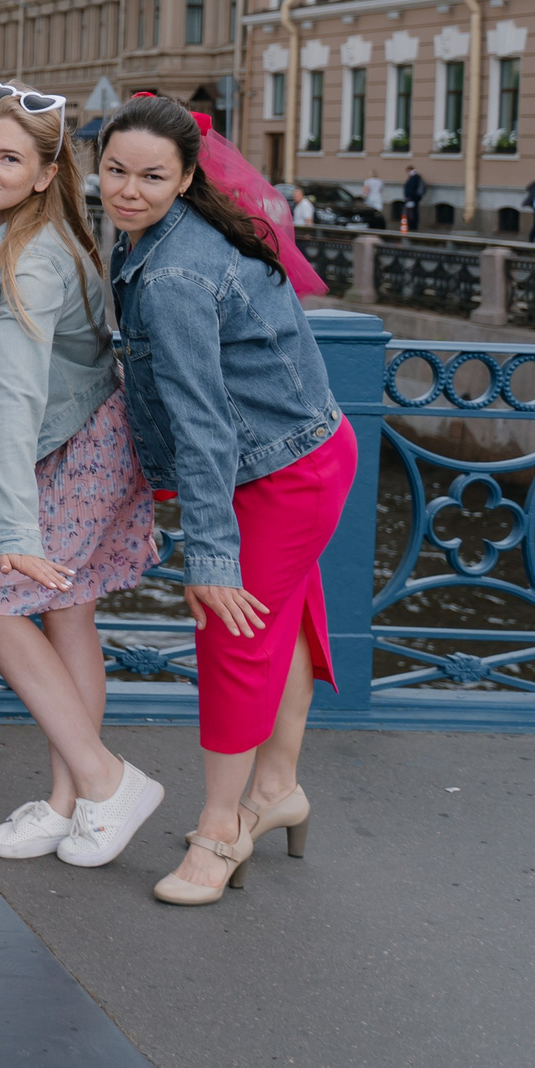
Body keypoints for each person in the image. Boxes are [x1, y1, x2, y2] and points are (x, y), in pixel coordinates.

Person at [98, 95, 355, 906]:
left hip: (277, 473)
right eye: (114, 170)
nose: (127, 189)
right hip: (304, 451)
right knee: (277, 616)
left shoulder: (173, 269)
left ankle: (220, 828)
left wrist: (208, 556)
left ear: (184, 179)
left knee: (230, 630)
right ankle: (274, 788)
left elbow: (203, 425)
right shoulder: (168, 235)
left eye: (150, 176)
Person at [0, 80, 163, 870]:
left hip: (73, 447)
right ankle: (73, 803)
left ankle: (108, 782)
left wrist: (13, 534)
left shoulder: (34, 260)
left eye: (9, 158)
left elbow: (11, 402)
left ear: (45, 174)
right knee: (69, 609)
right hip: (74, 436)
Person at [401, 164, 426, 233]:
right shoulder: (415, 177)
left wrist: (409, 197)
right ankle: (412, 225)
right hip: (413, 198)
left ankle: (413, 226)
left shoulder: (414, 177)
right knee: (412, 212)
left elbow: (411, 188)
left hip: (412, 198)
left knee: (412, 212)